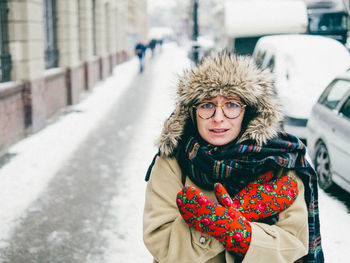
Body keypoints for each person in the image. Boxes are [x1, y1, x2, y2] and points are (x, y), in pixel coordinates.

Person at [143, 53, 324, 263]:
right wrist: (221, 223)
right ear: (192, 111)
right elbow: (162, 243)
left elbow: (294, 244)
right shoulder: (172, 162)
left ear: (248, 111)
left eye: (232, 105)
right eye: (207, 105)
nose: (218, 117)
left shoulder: (279, 160)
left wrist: (238, 230)